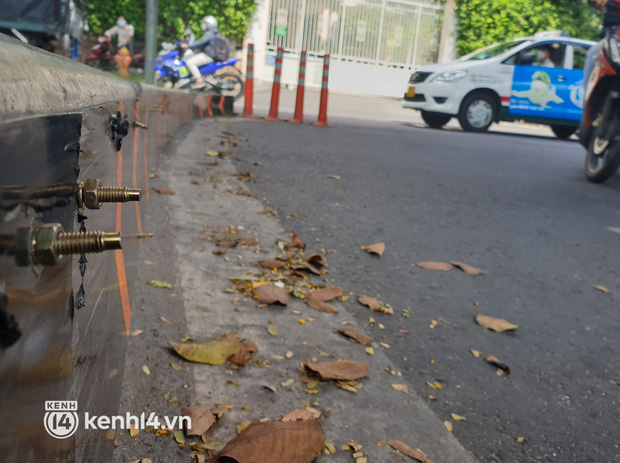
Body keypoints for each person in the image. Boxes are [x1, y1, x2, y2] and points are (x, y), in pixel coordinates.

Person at [183, 16, 219, 86]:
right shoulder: (212, 33)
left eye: (205, 24)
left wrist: (188, 46)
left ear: (209, 25)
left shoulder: (209, 34)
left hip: (207, 56)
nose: (203, 25)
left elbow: (200, 42)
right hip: (208, 55)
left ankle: (199, 79)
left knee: (190, 62)